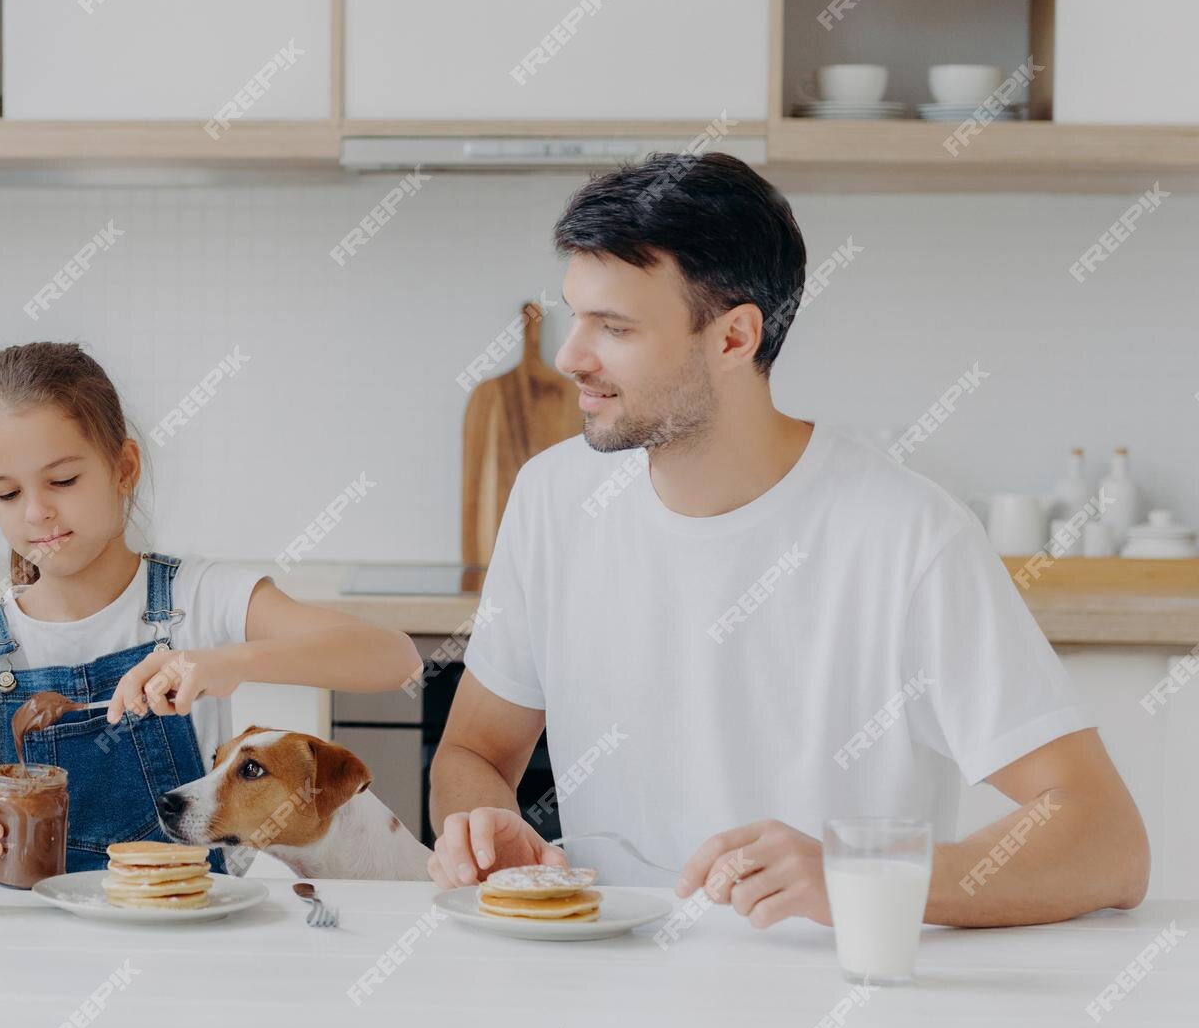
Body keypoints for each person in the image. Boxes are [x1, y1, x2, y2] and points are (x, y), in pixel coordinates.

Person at [427, 153, 1149, 929]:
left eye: (614, 326)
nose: (571, 356)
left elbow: (1107, 840)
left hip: (826, 1002)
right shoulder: (552, 497)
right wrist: (483, 829)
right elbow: (473, 757)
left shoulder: (907, 535)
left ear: (735, 338)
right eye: (577, 315)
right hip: (607, 982)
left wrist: (862, 877)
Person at [0, 342, 420, 875]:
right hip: (45, 941)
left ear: (124, 468)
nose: (36, 512)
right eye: (8, 493)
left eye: (63, 481)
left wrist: (227, 662)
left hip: (195, 939)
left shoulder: (198, 599)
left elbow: (395, 658)